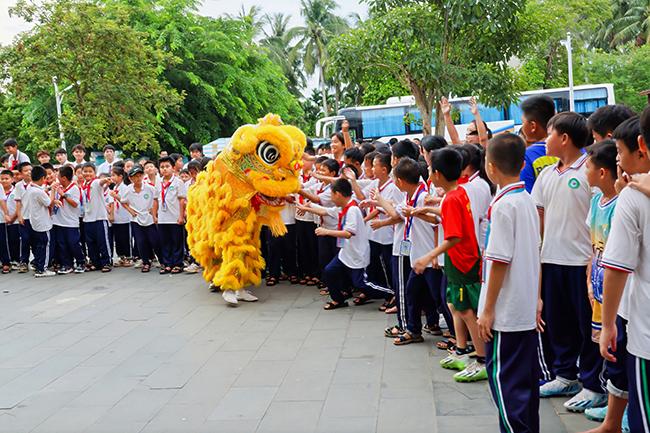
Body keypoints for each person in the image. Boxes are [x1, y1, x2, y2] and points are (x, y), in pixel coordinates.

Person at [533, 112, 606, 411]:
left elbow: (599, 221)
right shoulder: (548, 174)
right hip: (551, 259)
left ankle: (593, 384)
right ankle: (565, 374)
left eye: (549, 133)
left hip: (581, 263)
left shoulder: (589, 172)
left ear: (564, 138)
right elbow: (539, 216)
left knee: (587, 325)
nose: (545, 139)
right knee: (558, 321)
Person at [477, 133, 542, 433]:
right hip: (524, 308)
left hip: (507, 315)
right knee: (524, 388)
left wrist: (488, 310)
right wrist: (537, 299)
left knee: (506, 389)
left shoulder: (504, 206)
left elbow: (499, 260)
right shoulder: (524, 199)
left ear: (491, 167)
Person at [415, 147, 486, 382]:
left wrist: (427, 257)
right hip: (459, 259)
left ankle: (482, 358)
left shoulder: (453, 198)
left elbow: (454, 236)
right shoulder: (456, 194)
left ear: (437, 173)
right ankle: (463, 349)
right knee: (454, 304)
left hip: (462, 260)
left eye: (429, 169)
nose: (427, 172)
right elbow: (450, 215)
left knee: (466, 310)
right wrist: (429, 208)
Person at [599, 106, 650, 433]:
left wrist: (607, 324)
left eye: (619, 150)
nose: (616, 158)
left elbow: (616, 267)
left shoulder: (633, 197)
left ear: (642, 146)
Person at [580, 138, 629, 433]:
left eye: (588, 166)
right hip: (599, 288)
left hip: (619, 293)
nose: (584, 172)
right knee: (608, 350)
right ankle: (613, 417)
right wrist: (589, 277)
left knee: (618, 351)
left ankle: (623, 416)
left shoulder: (622, 204)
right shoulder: (596, 202)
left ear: (602, 173)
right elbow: (592, 247)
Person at [318, 178, 391, 310]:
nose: (331, 198)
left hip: (357, 253)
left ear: (338, 194)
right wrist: (305, 207)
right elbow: (324, 211)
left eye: (332, 195)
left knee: (361, 282)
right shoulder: (344, 208)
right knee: (330, 271)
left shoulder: (352, 210)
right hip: (346, 252)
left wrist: (326, 231)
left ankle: (390, 294)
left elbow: (348, 233)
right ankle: (338, 299)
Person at [117, 166, 159, 273]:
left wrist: (154, 212)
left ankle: (162, 260)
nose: (138, 178)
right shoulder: (129, 190)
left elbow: (156, 199)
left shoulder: (149, 188)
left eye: (140, 176)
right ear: (130, 179)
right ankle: (145, 262)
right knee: (140, 241)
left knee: (154, 240)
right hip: (136, 219)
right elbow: (123, 201)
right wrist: (130, 210)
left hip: (149, 218)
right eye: (135, 177)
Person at [51, 165, 85, 274]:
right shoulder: (58, 187)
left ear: (64, 178)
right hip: (58, 220)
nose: (57, 178)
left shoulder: (74, 188)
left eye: (58, 176)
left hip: (70, 222)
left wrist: (63, 195)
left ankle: (80, 262)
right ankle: (67, 264)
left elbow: (75, 204)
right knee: (61, 244)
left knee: (73, 243)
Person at [519, 95, 558, 192]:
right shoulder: (574, 148)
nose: (522, 127)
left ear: (533, 126)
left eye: (522, 122)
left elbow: (527, 194)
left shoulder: (527, 156)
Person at [81, 162, 113, 272]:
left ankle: (106, 262)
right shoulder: (83, 185)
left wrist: (106, 180)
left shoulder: (95, 182)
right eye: (85, 171)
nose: (87, 173)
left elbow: (101, 182)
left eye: (90, 171)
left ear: (95, 173)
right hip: (87, 218)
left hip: (99, 217)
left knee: (103, 241)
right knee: (90, 243)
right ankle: (95, 262)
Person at [157, 156, 187, 274]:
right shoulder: (158, 182)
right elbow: (155, 200)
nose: (164, 169)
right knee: (165, 241)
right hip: (163, 218)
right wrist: (155, 215)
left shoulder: (178, 182)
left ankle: (178, 263)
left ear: (173, 168)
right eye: (162, 167)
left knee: (177, 241)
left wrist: (181, 216)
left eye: (167, 166)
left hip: (175, 217)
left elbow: (181, 200)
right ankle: (168, 263)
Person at [26, 165, 56, 277]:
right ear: (43, 178)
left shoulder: (31, 188)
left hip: (35, 221)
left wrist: (47, 189)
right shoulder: (38, 192)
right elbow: (49, 202)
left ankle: (39, 265)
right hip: (43, 222)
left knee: (39, 245)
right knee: (45, 245)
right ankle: (42, 269)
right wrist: (52, 190)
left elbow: (42, 192)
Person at [110, 167, 133, 267]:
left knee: (125, 239)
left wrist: (116, 197)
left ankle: (128, 257)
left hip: (124, 218)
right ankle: (121, 257)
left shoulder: (125, 188)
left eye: (114, 175)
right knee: (118, 239)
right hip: (116, 217)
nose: (112, 177)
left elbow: (125, 201)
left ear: (120, 176)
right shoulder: (115, 188)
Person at [14, 162, 33, 273]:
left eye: (30, 170)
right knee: (25, 240)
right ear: (21, 173)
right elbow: (18, 203)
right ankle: (24, 262)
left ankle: (37, 261)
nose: (28, 172)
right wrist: (19, 216)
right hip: (24, 217)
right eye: (25, 170)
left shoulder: (37, 183)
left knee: (36, 240)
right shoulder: (18, 186)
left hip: (35, 217)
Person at [1, 169, 19, 268]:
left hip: (14, 220)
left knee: (14, 240)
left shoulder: (16, 191)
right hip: (3, 220)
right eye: (2, 179)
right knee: (4, 241)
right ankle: (6, 259)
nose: (4, 181)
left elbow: (19, 206)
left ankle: (16, 259)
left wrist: (12, 217)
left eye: (6, 179)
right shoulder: (0, 191)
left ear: (12, 179)